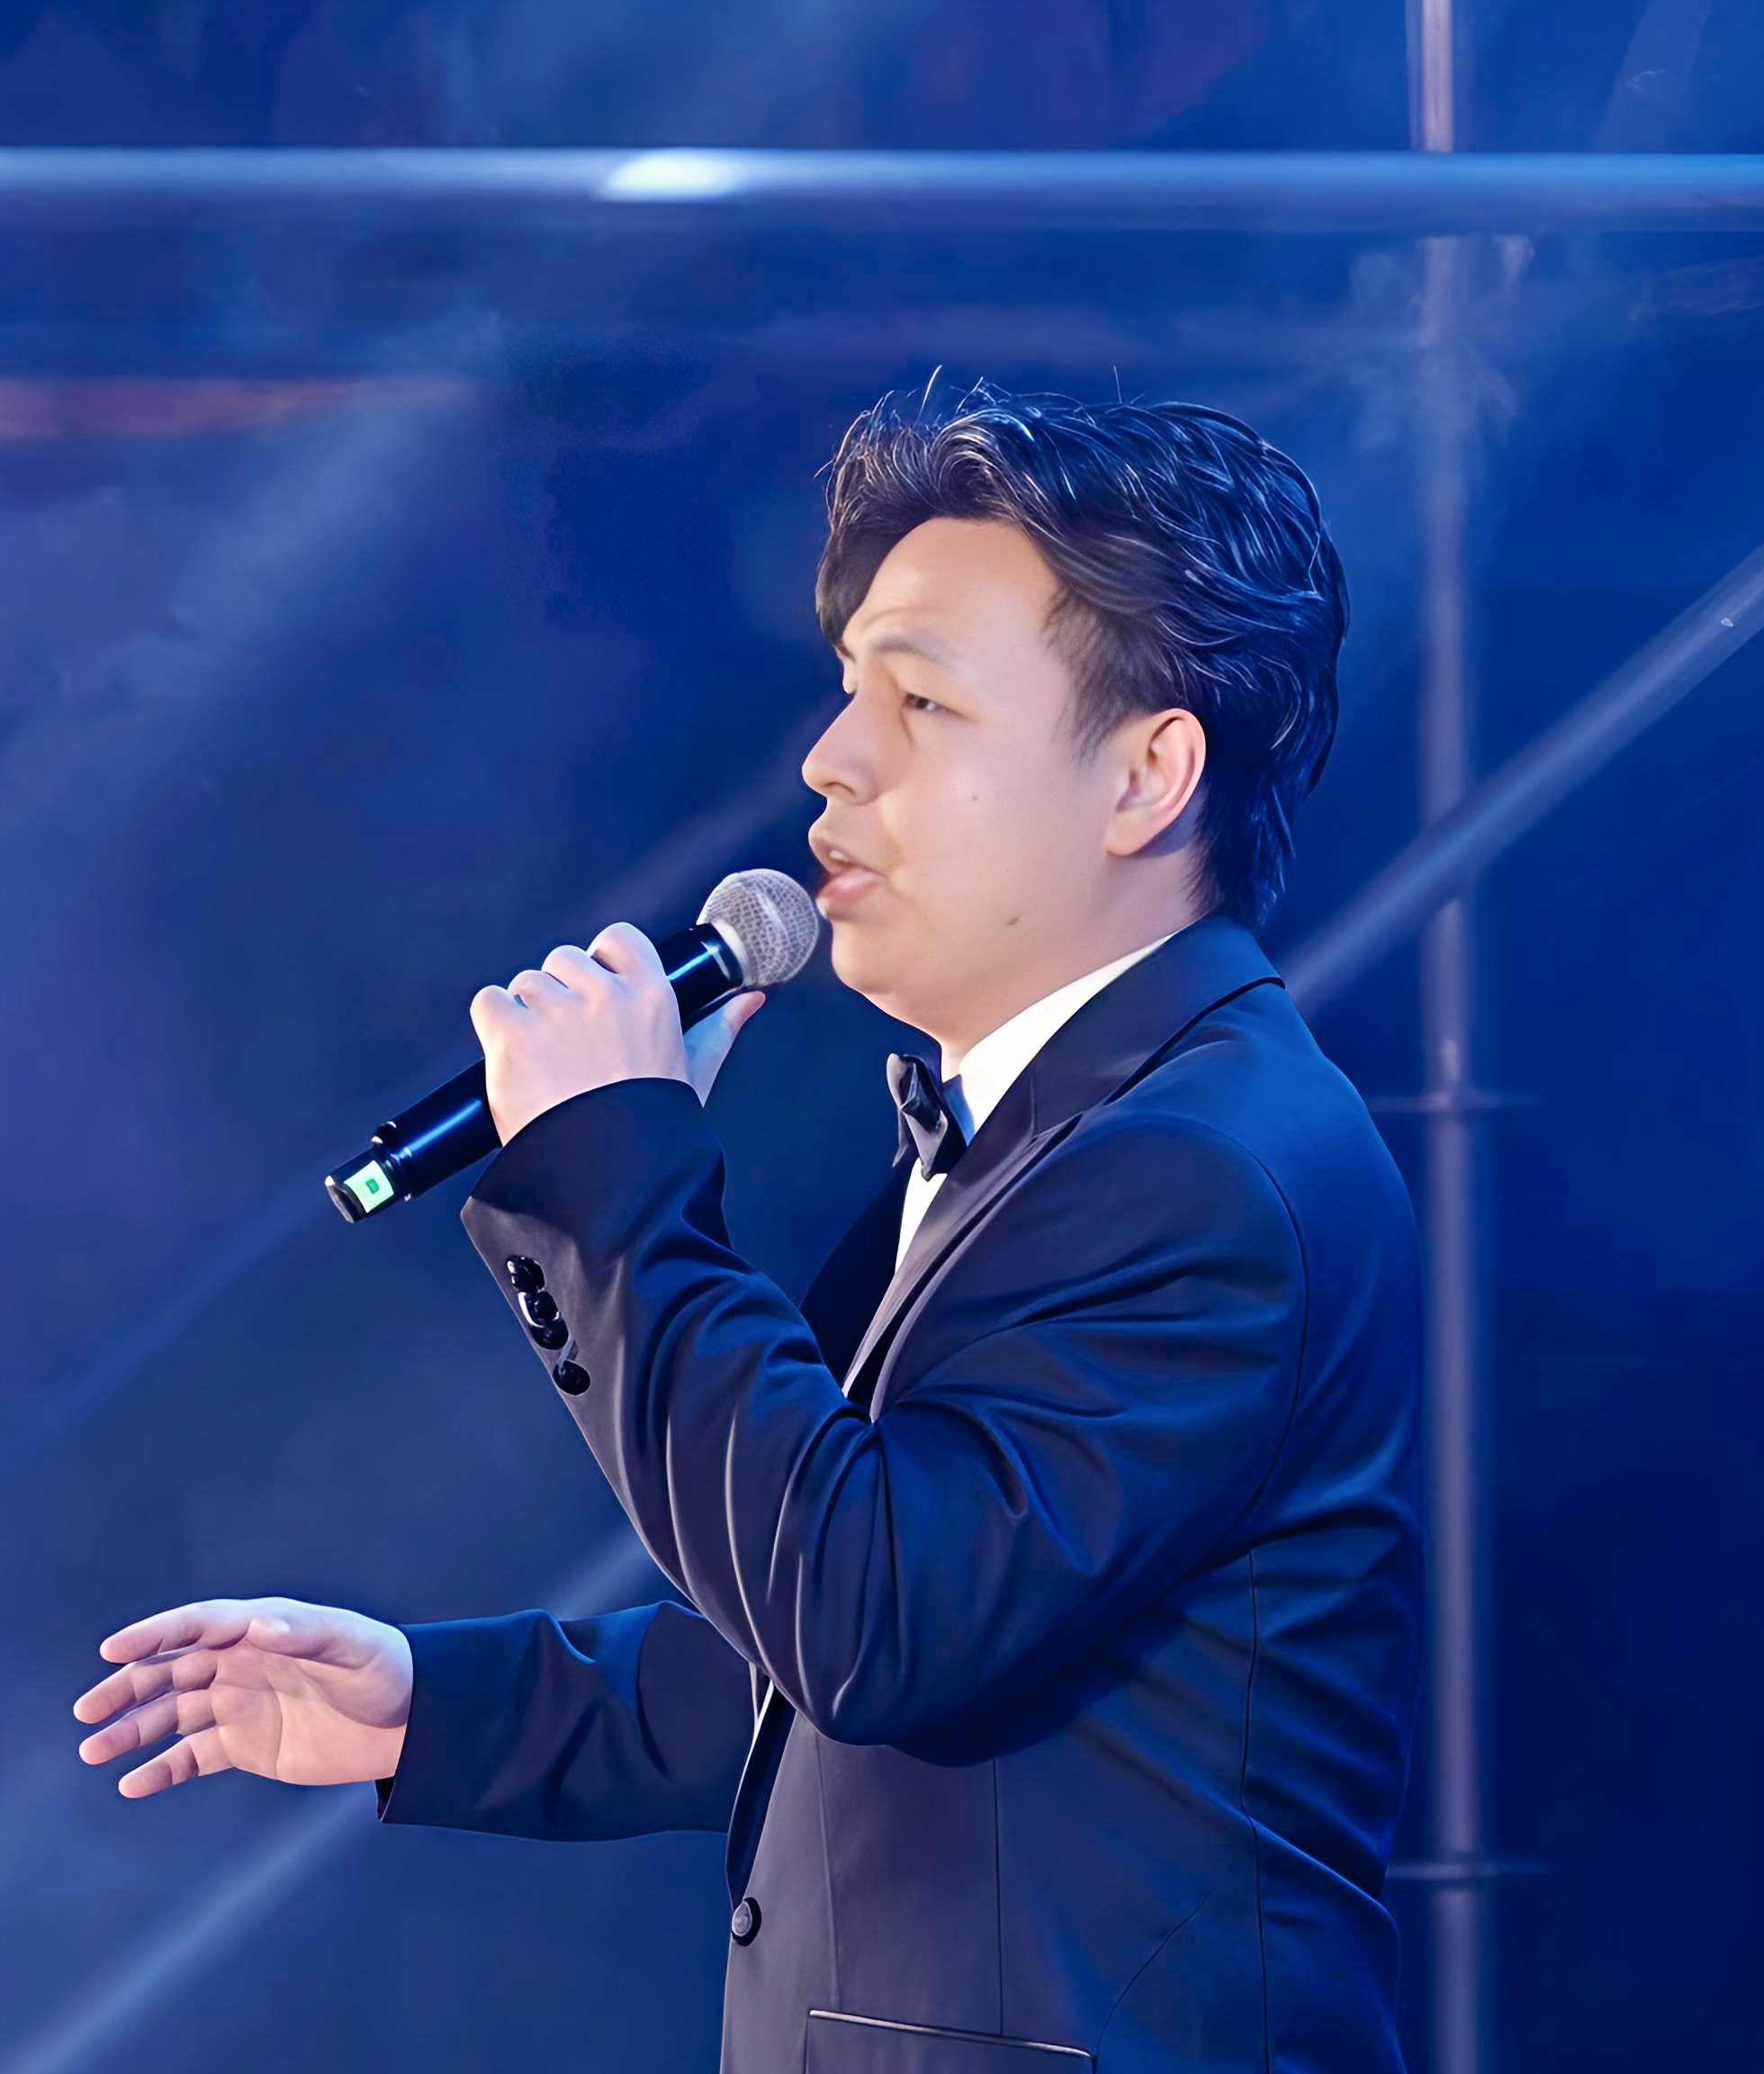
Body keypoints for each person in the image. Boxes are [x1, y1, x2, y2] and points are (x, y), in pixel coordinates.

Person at [68, 384, 1421, 2074]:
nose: (831, 760)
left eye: (922, 701)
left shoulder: (1206, 1167)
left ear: (1149, 775)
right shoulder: (1064, 1135)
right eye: (852, 690)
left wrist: (613, 1170)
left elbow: (867, 1620)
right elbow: (881, 1631)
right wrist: (432, 1704)